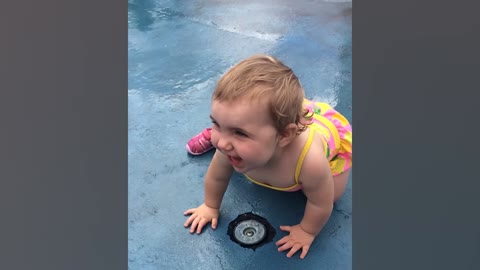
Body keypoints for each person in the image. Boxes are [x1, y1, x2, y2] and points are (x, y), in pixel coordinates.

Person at [183, 54, 352, 259]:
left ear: (283, 135)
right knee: (236, 137)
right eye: (215, 124)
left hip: (330, 140)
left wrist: (307, 231)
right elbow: (217, 176)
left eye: (240, 133)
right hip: (269, 132)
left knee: (330, 195)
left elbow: (320, 204)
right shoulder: (229, 145)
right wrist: (210, 206)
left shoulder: (310, 161)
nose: (222, 143)